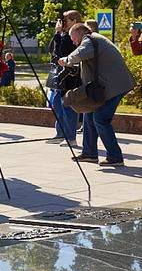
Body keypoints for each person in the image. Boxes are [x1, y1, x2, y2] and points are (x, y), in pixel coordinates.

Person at [59, 23, 135, 167]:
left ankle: (115, 157)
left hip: (114, 87)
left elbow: (81, 53)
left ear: (80, 32)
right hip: (110, 85)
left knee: (100, 119)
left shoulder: (89, 39)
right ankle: (89, 153)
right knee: (89, 115)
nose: (73, 42)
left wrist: (67, 60)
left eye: (73, 38)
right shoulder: (94, 39)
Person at [46, 10, 83, 147]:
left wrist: (60, 35)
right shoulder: (63, 35)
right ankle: (60, 133)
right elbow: (51, 49)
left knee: (67, 106)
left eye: (65, 20)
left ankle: (70, 137)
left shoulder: (73, 36)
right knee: (56, 104)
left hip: (69, 77)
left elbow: (62, 53)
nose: (63, 23)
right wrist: (57, 33)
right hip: (59, 75)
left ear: (74, 21)